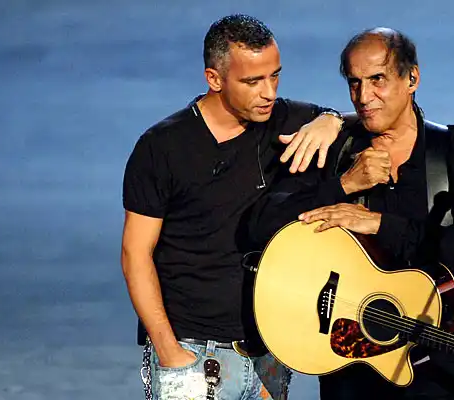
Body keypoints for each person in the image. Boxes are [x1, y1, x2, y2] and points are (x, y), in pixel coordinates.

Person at [248, 27, 454, 399]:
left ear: (411, 78)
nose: (364, 97)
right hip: (351, 360)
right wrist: (345, 184)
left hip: (437, 362)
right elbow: (262, 227)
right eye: (355, 83)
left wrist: (381, 225)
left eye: (377, 79)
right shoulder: (335, 149)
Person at [120, 14, 345, 400]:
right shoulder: (163, 147)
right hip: (193, 352)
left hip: (268, 353)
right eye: (252, 81)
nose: (268, 92)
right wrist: (170, 353)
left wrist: (331, 120)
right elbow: (135, 254)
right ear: (214, 78)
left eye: (275, 76)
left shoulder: (284, 121)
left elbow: (354, 119)